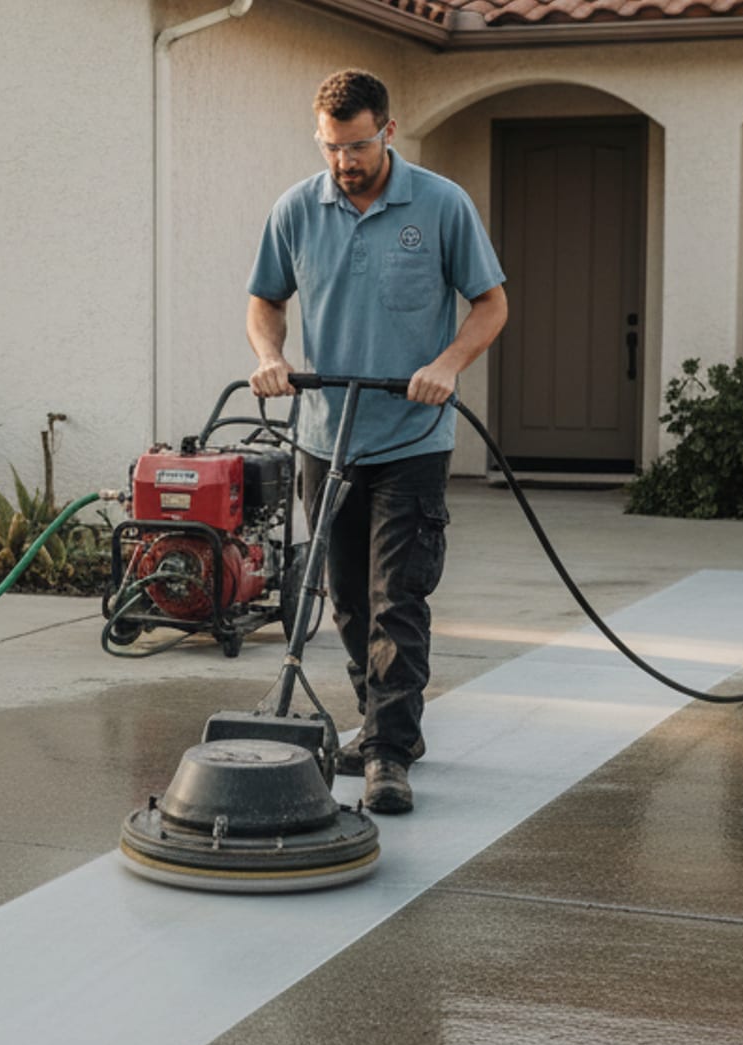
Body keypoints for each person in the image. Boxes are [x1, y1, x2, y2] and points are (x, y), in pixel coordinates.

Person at [245, 69, 507, 814]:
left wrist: (446, 365)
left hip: (412, 434)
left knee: (398, 598)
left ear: (388, 131)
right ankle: (383, 722)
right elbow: (265, 300)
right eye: (331, 147)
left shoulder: (441, 204)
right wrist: (271, 356)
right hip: (326, 437)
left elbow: (490, 304)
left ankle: (389, 751)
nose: (344, 162)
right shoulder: (297, 208)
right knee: (351, 605)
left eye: (357, 145)